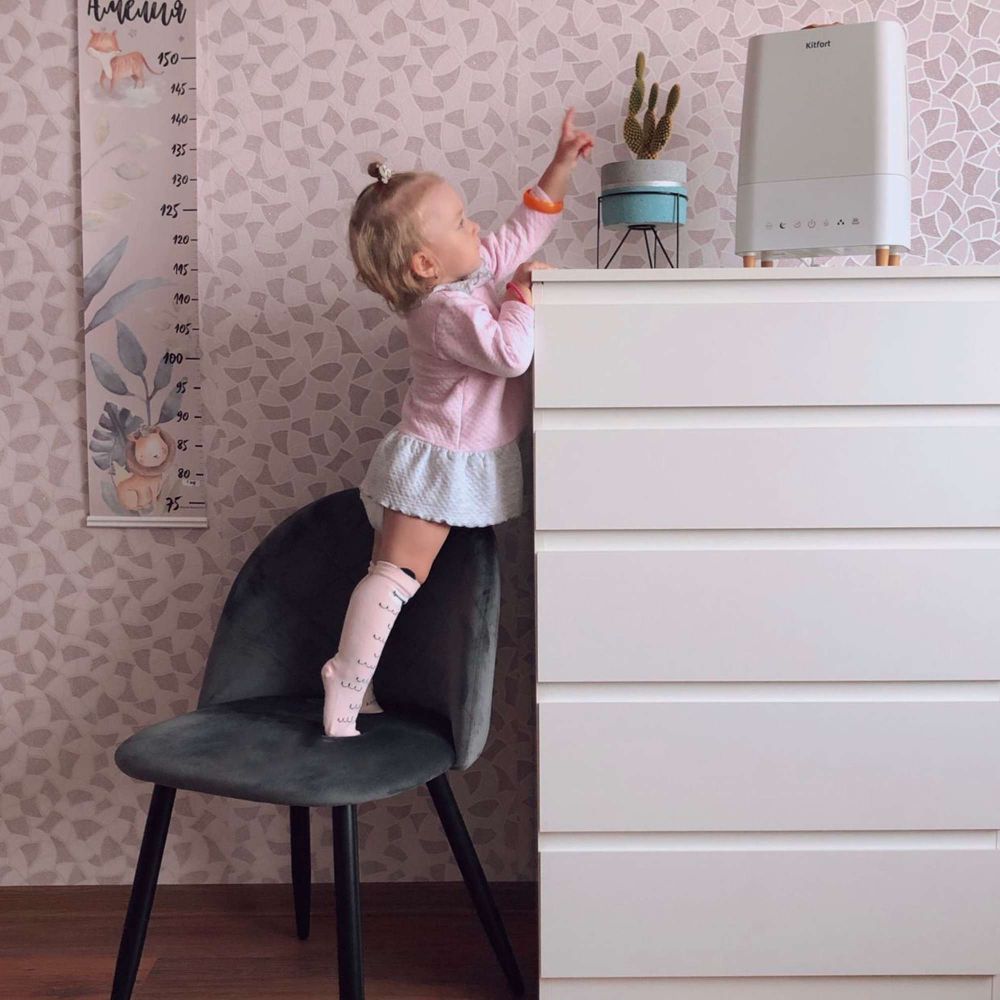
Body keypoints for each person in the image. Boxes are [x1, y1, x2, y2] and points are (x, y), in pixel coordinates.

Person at [321, 109, 595, 738]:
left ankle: (356, 681)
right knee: (395, 578)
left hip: (447, 454)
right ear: (425, 264)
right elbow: (510, 353)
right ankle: (345, 681)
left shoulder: (469, 276)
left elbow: (522, 231)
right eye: (462, 221)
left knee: (396, 577)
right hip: (437, 460)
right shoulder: (446, 310)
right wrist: (522, 296)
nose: (477, 227)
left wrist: (559, 166)